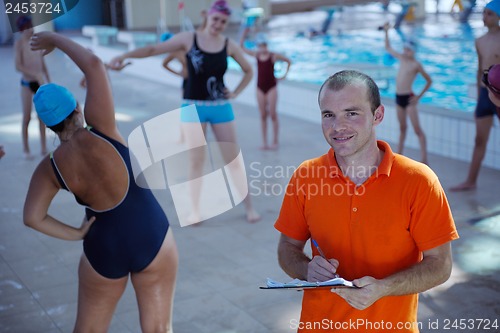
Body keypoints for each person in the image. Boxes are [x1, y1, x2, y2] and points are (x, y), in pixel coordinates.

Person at [275, 70, 458, 333]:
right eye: (329, 115)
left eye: (352, 113)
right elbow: (287, 249)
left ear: (378, 115)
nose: (338, 126)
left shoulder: (419, 180)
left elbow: (441, 264)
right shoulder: (306, 176)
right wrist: (306, 270)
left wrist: (385, 288)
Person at [24, 32, 178, 332]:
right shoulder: (103, 126)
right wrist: (55, 39)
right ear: (78, 109)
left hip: (103, 247)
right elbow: (94, 64)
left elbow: (32, 217)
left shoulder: (50, 167)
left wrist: (76, 233)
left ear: (49, 126)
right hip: (151, 236)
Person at [109, 0, 260, 223]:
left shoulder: (228, 44)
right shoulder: (189, 39)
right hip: (192, 106)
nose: (218, 24)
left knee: (232, 159)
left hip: (220, 107)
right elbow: (153, 49)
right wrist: (124, 56)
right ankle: (195, 210)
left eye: (223, 22)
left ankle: (249, 207)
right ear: (207, 16)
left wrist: (235, 93)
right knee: (196, 161)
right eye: (216, 19)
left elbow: (248, 70)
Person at [451, 0, 500, 191]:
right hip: (484, 96)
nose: (484, 17)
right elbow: (480, 69)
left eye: (489, 14)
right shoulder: (479, 41)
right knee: (479, 140)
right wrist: (481, 92)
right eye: (484, 13)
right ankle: (471, 181)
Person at [383, 23, 432, 165]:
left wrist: (418, 97)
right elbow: (388, 47)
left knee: (417, 129)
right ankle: (398, 155)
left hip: (409, 98)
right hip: (399, 98)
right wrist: (386, 32)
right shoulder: (402, 59)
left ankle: (424, 159)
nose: (406, 52)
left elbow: (429, 81)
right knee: (402, 128)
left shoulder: (416, 65)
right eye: (405, 49)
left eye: (409, 50)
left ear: (414, 51)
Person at [240, 28, 292, 150]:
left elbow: (288, 61)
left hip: (271, 87)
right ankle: (264, 142)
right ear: (258, 46)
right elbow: (241, 48)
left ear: (266, 45)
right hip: (260, 88)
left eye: (263, 45)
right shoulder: (256, 55)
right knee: (263, 115)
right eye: (260, 45)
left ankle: (275, 141)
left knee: (273, 114)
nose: (262, 48)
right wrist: (244, 33)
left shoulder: (273, 56)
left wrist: (283, 75)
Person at [14, 15, 50, 159]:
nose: (30, 30)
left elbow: (42, 62)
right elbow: (18, 66)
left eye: (31, 27)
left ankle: (43, 147)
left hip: (39, 82)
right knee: (27, 117)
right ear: (21, 30)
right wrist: (34, 75)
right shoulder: (19, 44)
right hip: (27, 83)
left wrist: (48, 79)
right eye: (26, 28)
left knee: (41, 116)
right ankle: (26, 149)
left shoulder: (36, 41)